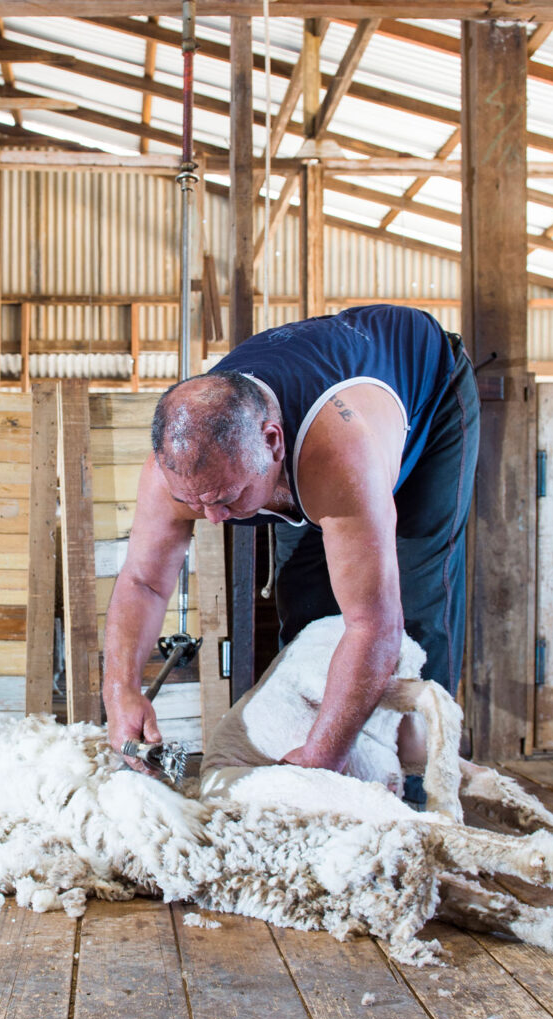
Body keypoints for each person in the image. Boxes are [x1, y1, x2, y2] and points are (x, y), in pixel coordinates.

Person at [102, 304, 479, 788]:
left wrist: (323, 757)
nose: (212, 519)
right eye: (192, 502)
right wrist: (121, 690)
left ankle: (416, 788)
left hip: (428, 386)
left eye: (227, 499)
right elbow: (143, 581)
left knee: (415, 607)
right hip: (309, 418)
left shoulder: (338, 458)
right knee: (309, 617)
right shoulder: (171, 474)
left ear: (273, 442)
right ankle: (314, 761)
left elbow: (375, 627)